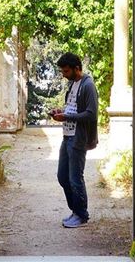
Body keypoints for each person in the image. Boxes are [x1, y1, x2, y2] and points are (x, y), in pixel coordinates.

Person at [49, 52, 99, 229]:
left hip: (78, 138)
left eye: (66, 70)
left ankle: (81, 215)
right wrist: (60, 112)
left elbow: (91, 114)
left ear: (76, 68)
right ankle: (75, 211)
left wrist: (68, 117)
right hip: (67, 136)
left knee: (75, 178)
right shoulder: (73, 84)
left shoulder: (88, 85)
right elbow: (72, 108)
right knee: (63, 176)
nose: (63, 74)